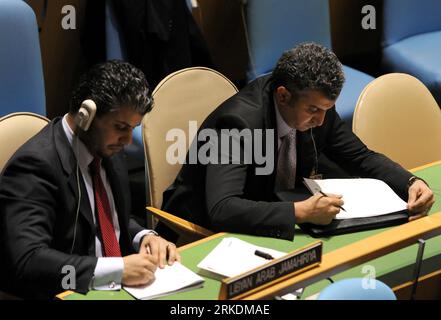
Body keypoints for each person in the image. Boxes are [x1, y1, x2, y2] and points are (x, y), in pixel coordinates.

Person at [161, 43, 434, 241]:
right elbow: (223, 207)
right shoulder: (239, 123)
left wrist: (410, 182)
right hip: (202, 228)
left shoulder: (317, 107)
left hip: (272, 209)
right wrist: (301, 211)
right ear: (283, 96)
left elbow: (359, 157)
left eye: (327, 109)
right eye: (313, 110)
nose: (321, 119)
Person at [0, 60, 180, 299]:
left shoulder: (106, 149)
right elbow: (28, 261)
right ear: (87, 115)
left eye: (132, 128)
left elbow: (110, 218)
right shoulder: (35, 166)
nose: (128, 140)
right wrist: (116, 271)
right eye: (121, 127)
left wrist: (144, 237)